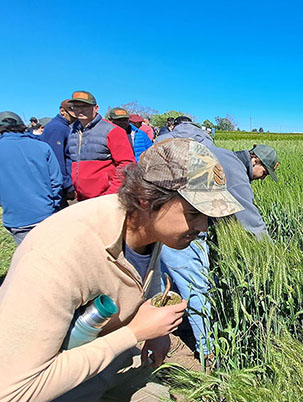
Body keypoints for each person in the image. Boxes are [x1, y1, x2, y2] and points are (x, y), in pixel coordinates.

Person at [0, 138, 244, 400]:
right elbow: (16, 391)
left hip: (112, 366)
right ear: (144, 199)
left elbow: (144, 286)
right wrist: (135, 333)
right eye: (194, 213)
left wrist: (158, 333)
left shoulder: (149, 228)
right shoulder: (56, 256)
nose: (204, 227)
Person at [156, 120, 279, 355]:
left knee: (164, 283)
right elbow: (249, 218)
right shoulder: (233, 168)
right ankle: (208, 351)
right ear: (255, 160)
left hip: (157, 218)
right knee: (196, 286)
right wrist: (272, 252)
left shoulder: (219, 154)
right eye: (265, 172)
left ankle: (160, 333)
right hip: (181, 225)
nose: (262, 178)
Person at [0, 112, 62, 245]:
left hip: (16, 218)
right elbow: (56, 182)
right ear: (22, 127)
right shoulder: (42, 147)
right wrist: (53, 206)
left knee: (30, 257)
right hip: (46, 213)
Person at [66, 90, 136, 200]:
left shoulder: (113, 131)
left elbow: (127, 164)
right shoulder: (72, 131)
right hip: (81, 199)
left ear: (96, 108)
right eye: (76, 106)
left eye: (85, 106)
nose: (80, 110)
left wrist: (111, 193)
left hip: (105, 199)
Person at [40, 99, 78, 209]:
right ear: (62, 111)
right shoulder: (57, 128)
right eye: (72, 115)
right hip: (60, 186)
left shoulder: (65, 127)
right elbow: (57, 160)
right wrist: (68, 186)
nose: (74, 118)